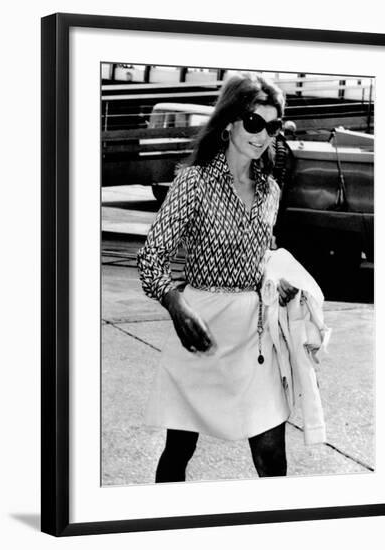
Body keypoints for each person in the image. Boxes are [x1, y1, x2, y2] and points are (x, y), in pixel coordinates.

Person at [137, 72, 298, 483]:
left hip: (253, 333)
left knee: (271, 454)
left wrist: (275, 281)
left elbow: (262, 254)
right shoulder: (193, 183)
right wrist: (175, 305)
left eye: (273, 125)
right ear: (229, 123)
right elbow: (151, 257)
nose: (263, 135)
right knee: (179, 450)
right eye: (254, 123)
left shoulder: (270, 190)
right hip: (199, 325)